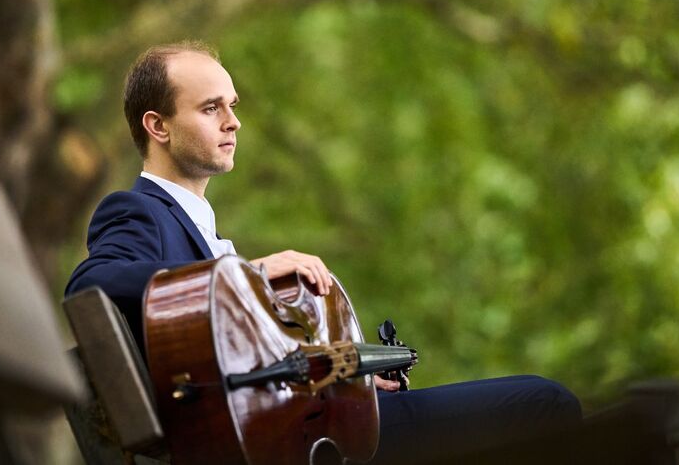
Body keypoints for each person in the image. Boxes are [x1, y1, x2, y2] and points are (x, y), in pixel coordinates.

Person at [65, 41, 581, 464]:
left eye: (232, 105)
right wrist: (249, 271)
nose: (233, 122)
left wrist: (345, 380)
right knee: (542, 404)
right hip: (277, 452)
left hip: (303, 436)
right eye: (210, 108)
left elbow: (248, 372)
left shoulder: (198, 228)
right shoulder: (138, 212)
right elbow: (90, 285)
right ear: (159, 126)